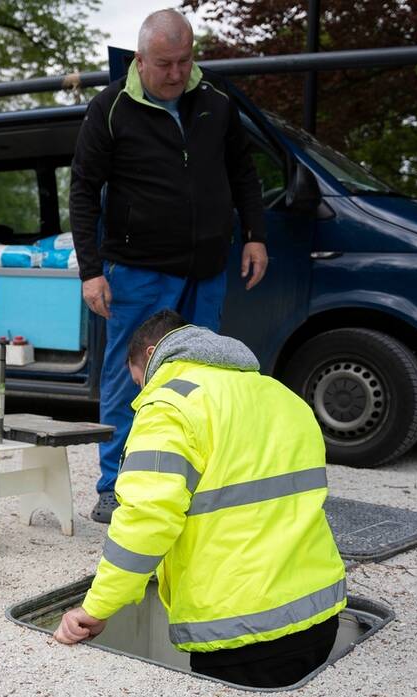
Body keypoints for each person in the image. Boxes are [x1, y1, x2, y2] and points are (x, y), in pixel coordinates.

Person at [53, 309, 346, 689]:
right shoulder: (283, 397)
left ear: (153, 352)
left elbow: (146, 520)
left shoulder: (171, 405)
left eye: (140, 379)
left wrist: (97, 608)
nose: (143, 391)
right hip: (320, 614)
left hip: (243, 632)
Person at [68, 9, 269, 523]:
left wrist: (255, 235)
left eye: (184, 61)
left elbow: (243, 172)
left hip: (206, 265)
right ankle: (113, 485)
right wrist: (91, 270)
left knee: (206, 372)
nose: (177, 74)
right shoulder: (109, 108)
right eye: (164, 64)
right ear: (140, 60)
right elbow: (84, 190)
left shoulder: (217, 102)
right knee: (125, 375)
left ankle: (194, 476)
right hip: (137, 269)